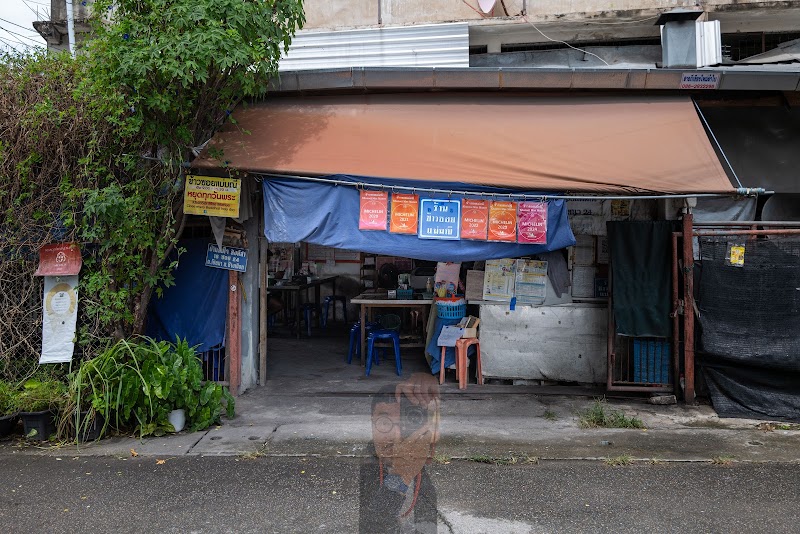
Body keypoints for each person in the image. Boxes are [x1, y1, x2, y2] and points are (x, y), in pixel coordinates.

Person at [359, 373, 441, 533]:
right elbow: (371, 528)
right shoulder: (370, 461)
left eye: (407, 422)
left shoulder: (425, 482)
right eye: (384, 423)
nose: (396, 436)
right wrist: (400, 476)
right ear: (371, 424)